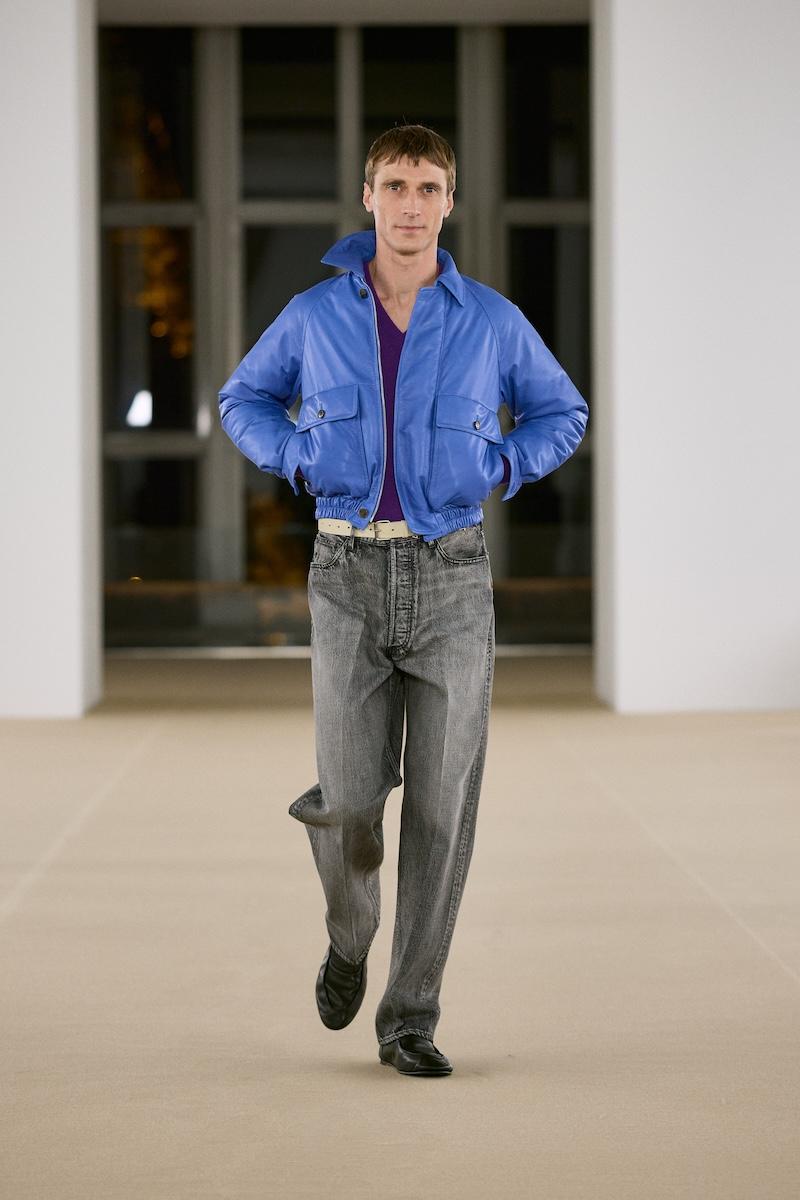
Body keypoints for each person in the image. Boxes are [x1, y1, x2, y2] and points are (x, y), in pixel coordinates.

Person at [218, 124, 588, 1077]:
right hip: (346, 573)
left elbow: (562, 412)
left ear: (449, 202)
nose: (411, 204)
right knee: (348, 799)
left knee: (440, 808)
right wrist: (295, 454)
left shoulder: (490, 320)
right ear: (368, 198)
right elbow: (242, 399)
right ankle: (349, 938)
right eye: (395, 185)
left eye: (428, 187)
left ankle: (409, 1017)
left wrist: (501, 465)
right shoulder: (314, 314)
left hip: (454, 576)